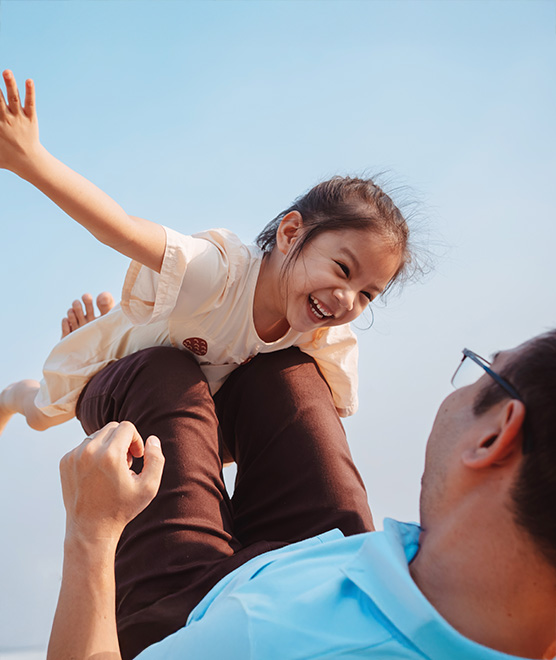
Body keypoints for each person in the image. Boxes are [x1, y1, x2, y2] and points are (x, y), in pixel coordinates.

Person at [47, 330, 556, 659]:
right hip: (346, 562)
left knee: (155, 373)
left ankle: (107, 383)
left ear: (495, 436)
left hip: (193, 614)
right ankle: (200, 425)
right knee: (283, 370)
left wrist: (91, 532)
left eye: (483, 367)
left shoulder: (259, 641)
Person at [0, 69, 420, 437]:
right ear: (291, 232)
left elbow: (327, 413)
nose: (348, 300)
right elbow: (121, 230)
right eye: (343, 269)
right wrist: (32, 161)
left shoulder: (323, 331)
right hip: (111, 364)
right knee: (44, 415)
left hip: (189, 404)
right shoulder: (219, 273)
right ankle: (13, 393)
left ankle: (114, 321)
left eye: (368, 294)